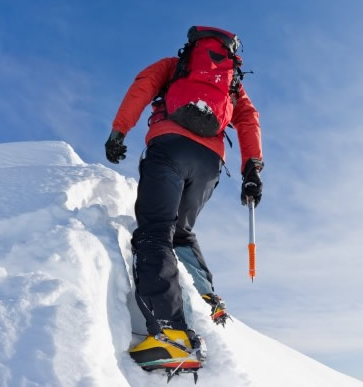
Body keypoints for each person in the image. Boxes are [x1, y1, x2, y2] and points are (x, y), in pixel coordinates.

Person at [105, 26, 264, 371]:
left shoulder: (173, 66)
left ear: (191, 48)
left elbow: (142, 87)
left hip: (169, 147)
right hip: (209, 163)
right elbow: (249, 120)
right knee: (182, 232)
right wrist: (252, 170)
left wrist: (119, 131)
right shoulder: (232, 84)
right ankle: (209, 297)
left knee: (155, 231)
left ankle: (171, 336)